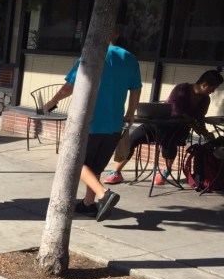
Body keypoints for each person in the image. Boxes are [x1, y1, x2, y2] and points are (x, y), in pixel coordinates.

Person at [44, 27, 142, 222]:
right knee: (95, 165)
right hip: (115, 123)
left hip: (89, 122)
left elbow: (70, 86)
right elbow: (136, 89)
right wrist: (130, 113)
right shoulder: (130, 58)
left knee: (75, 162)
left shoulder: (91, 56)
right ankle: (88, 204)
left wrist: (50, 103)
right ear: (116, 34)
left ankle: (103, 194)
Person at [103, 69, 223, 185]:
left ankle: (166, 171)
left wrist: (205, 133)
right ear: (204, 84)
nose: (212, 92)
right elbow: (179, 113)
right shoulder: (182, 89)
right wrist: (196, 125)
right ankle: (116, 172)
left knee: (168, 141)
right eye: (212, 89)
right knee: (132, 139)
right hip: (157, 124)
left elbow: (199, 119)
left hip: (178, 129)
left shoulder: (205, 100)